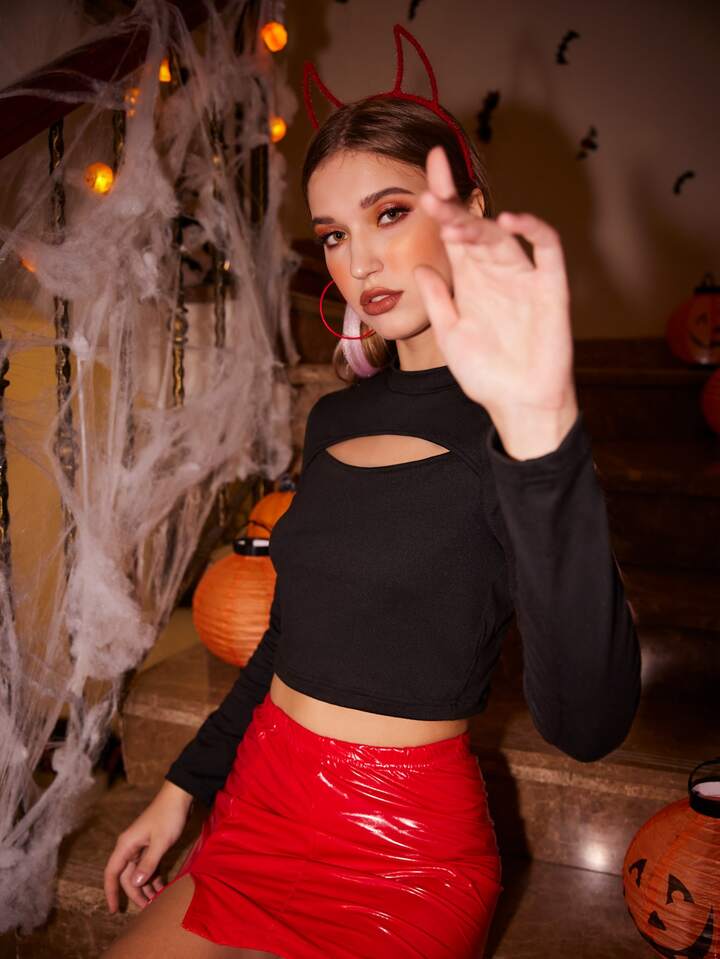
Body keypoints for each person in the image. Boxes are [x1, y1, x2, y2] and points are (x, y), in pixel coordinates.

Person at [101, 27, 641, 959]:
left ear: (467, 210)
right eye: (334, 235)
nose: (359, 262)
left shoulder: (519, 427)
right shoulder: (336, 419)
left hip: (406, 854)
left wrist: (543, 437)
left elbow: (588, 727)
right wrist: (180, 789)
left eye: (389, 213)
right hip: (263, 802)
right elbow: (289, 639)